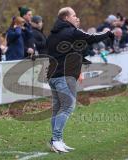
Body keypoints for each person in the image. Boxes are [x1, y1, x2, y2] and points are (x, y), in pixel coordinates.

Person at [47, 7, 114, 153]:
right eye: (74, 15)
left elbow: (64, 53)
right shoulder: (71, 32)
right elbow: (92, 38)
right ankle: (55, 139)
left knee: (58, 108)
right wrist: (107, 33)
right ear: (66, 18)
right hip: (64, 75)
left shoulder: (52, 35)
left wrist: (81, 60)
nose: (76, 17)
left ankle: (58, 140)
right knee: (68, 106)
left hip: (53, 76)